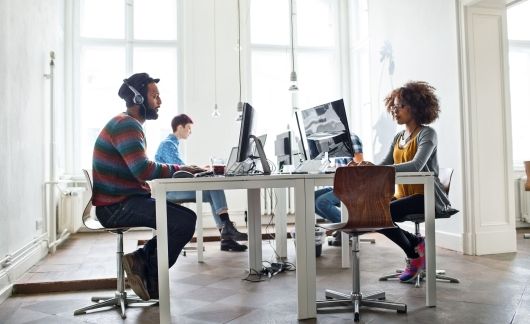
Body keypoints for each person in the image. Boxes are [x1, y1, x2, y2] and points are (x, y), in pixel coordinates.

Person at [92, 73, 206, 301]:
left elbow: (142, 167)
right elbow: (143, 169)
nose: (160, 101)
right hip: (116, 207)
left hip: (122, 201)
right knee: (183, 221)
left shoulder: (127, 124)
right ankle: (148, 274)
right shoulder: (127, 125)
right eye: (155, 96)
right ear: (138, 99)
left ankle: (142, 264)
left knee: (182, 219)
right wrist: (179, 169)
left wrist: (179, 169)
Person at [351, 81, 456, 282]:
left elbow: (416, 165)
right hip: (405, 195)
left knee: (381, 213)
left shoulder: (427, 134)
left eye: (400, 106)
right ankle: (415, 246)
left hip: (427, 197)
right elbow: (384, 164)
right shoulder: (398, 137)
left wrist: (378, 169)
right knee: (372, 212)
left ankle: (414, 253)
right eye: (394, 106)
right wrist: (367, 166)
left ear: (415, 108)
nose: (395, 111)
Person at [155, 114, 248, 252]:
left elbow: (181, 168)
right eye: (188, 128)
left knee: (212, 191)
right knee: (213, 185)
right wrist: (201, 169)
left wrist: (201, 169)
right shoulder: (168, 144)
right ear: (180, 127)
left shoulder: (172, 144)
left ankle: (226, 238)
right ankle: (227, 228)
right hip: (169, 191)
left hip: (175, 187)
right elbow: (181, 168)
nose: (190, 131)